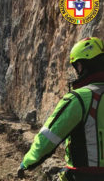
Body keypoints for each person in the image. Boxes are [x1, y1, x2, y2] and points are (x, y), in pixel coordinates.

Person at [17, 37, 104, 181]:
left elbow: (49, 136)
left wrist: (27, 162)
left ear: (83, 66)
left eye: (77, 66)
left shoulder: (79, 98)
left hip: (85, 175)